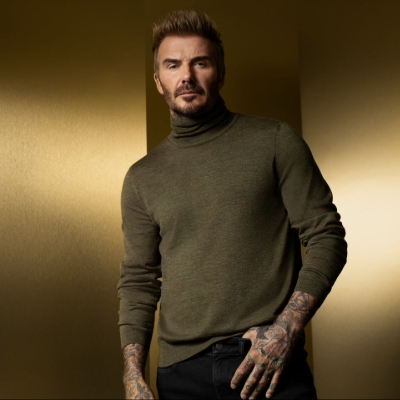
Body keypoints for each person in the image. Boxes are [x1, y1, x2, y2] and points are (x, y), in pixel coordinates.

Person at [118, 10, 347, 400]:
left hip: (267, 361)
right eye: (172, 65)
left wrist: (286, 330)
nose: (186, 76)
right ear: (158, 81)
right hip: (179, 374)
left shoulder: (275, 141)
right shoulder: (141, 177)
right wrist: (132, 376)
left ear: (220, 74)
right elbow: (138, 280)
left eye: (200, 63)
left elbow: (327, 237)